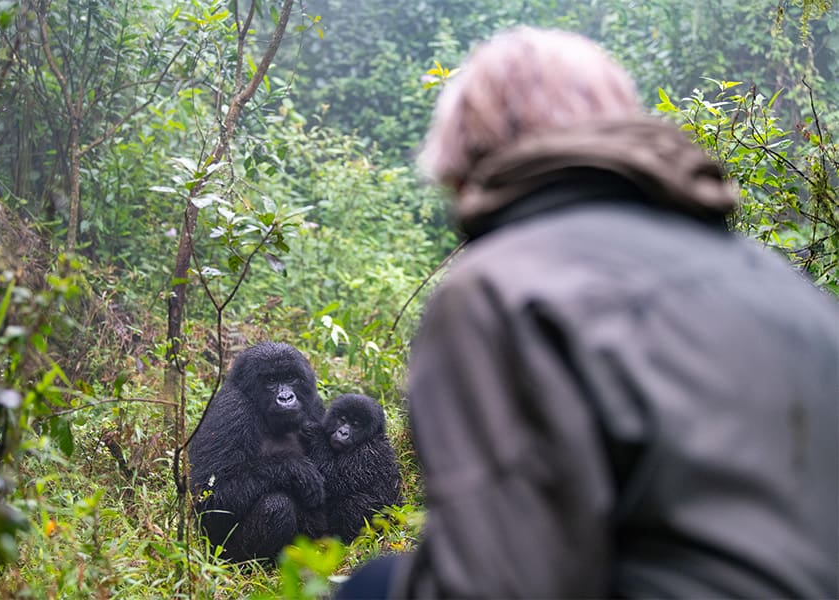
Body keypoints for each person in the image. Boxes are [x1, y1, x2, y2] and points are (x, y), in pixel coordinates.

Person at [337, 26, 839, 599]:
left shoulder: (504, 287)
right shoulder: (787, 287)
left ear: (467, 156)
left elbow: (503, 583)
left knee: (370, 589)